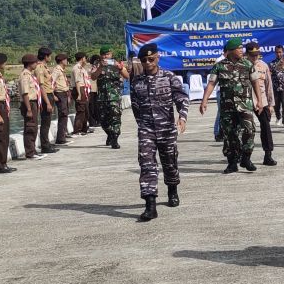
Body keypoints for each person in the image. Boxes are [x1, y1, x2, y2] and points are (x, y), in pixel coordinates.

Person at [127, 42, 189, 220]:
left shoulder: (169, 77)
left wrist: (182, 117)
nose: (148, 63)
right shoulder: (136, 82)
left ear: (157, 57)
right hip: (147, 129)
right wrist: (142, 125)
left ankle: (172, 189)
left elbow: (182, 98)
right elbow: (135, 106)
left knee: (170, 163)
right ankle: (150, 205)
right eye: (144, 60)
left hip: (167, 129)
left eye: (151, 59)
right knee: (147, 164)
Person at [200, 38, 258, 173]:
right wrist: (204, 101)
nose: (241, 51)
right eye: (238, 48)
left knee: (250, 130)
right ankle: (232, 162)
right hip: (227, 107)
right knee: (229, 135)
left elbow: (255, 82)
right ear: (231, 51)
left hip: (245, 104)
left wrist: (259, 101)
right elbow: (211, 84)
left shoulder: (248, 64)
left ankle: (246, 157)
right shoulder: (219, 66)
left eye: (241, 48)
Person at [246, 42, 277, 166]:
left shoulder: (263, 66)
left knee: (266, 127)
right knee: (246, 129)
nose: (255, 58)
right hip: (246, 101)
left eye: (257, 55)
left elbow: (269, 85)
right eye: (252, 55)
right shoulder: (242, 66)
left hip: (262, 101)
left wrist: (271, 104)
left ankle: (268, 155)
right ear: (247, 54)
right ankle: (244, 156)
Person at [93, 46, 124, 149]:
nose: (106, 56)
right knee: (103, 120)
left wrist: (120, 68)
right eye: (103, 54)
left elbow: (127, 76)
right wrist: (100, 67)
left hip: (114, 96)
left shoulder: (116, 63)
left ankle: (115, 139)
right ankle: (110, 134)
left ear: (111, 54)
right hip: (102, 97)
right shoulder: (97, 64)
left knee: (115, 118)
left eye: (107, 54)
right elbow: (93, 77)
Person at [18, 53, 44, 160]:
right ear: (29, 64)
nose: (36, 64)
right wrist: (28, 109)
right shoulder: (24, 75)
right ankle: (30, 152)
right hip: (28, 103)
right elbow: (25, 93)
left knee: (33, 127)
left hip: (33, 102)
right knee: (30, 127)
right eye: (35, 62)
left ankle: (32, 150)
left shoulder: (30, 75)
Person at [35, 47, 59, 154]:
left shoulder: (44, 67)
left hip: (49, 94)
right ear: (45, 56)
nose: (50, 58)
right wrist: (48, 102)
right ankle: (45, 145)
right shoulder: (40, 67)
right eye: (49, 56)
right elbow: (41, 86)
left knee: (48, 121)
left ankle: (47, 143)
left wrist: (52, 96)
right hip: (45, 96)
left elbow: (48, 84)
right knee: (45, 122)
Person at [53, 53, 71, 144]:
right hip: (59, 93)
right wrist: (53, 95)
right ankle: (60, 138)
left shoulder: (62, 70)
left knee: (65, 114)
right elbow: (51, 82)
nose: (67, 61)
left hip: (64, 93)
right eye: (66, 59)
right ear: (62, 60)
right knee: (63, 114)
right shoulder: (56, 70)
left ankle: (63, 135)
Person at [72, 52, 92, 135]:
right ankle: (77, 130)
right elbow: (77, 81)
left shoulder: (82, 68)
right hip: (79, 89)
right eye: (85, 58)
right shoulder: (76, 68)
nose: (86, 59)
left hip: (84, 89)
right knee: (81, 110)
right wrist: (79, 94)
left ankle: (84, 129)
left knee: (85, 109)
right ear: (82, 58)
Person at [271, 45, 284, 125]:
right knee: (276, 105)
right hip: (275, 87)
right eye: (277, 52)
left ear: (283, 52)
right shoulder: (272, 63)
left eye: (280, 52)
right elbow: (270, 74)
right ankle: (278, 117)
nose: (278, 54)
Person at [87, 54, 102, 129]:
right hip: (91, 89)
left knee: (96, 106)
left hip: (95, 89)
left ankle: (97, 120)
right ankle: (93, 122)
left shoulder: (95, 67)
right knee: (92, 106)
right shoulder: (91, 68)